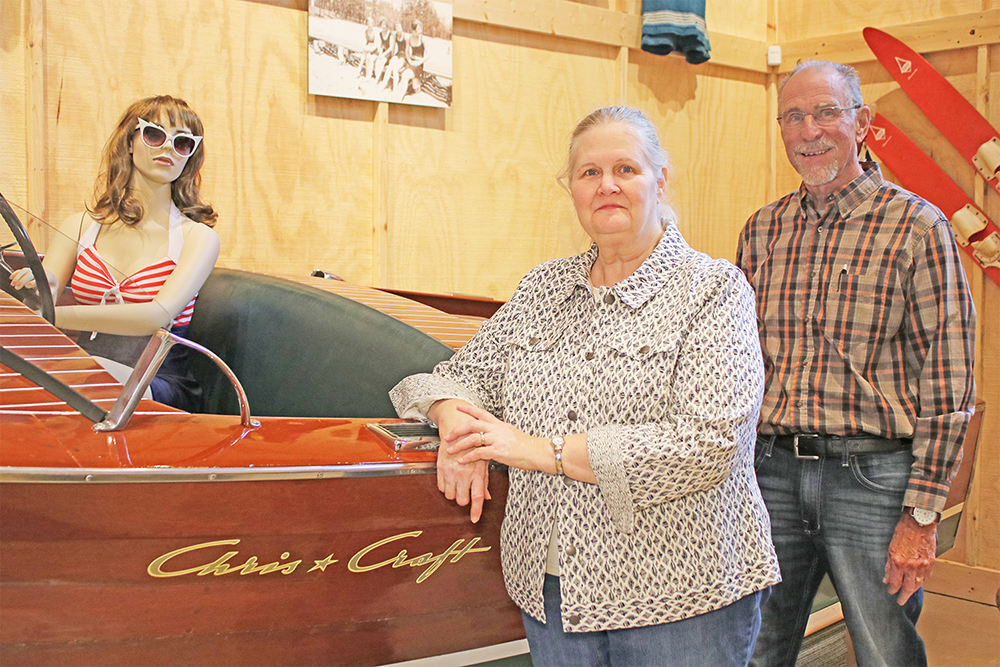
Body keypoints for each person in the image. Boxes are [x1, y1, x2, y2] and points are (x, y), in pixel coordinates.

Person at [391, 106, 780, 667]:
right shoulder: (543, 288)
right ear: (571, 189)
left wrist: (535, 450)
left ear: (660, 180)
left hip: (678, 597)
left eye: (626, 168)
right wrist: (459, 427)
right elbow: (455, 376)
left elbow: (710, 443)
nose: (608, 186)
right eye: (590, 173)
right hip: (552, 590)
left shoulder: (713, 290)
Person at [735, 60, 976, 667]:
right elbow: (736, 366)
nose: (808, 129)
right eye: (793, 116)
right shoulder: (763, 231)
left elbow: (948, 379)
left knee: (884, 653)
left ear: (862, 122)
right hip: (771, 478)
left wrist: (922, 514)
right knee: (755, 650)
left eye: (826, 112)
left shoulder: (918, 227)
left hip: (874, 481)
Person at [10, 95, 220, 412]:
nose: (168, 148)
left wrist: (55, 315)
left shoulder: (198, 237)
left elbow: (155, 316)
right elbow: (44, 298)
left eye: (182, 143)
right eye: (155, 134)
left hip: (157, 380)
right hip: (84, 370)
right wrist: (41, 288)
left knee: (77, 378)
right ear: (131, 141)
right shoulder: (81, 226)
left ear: (190, 156)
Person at [397, 19, 427, 100]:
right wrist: (409, 60)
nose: (420, 31)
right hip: (411, 62)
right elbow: (406, 51)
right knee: (412, 82)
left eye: (420, 29)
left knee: (405, 76)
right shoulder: (409, 38)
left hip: (418, 65)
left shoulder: (422, 38)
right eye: (418, 30)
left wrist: (420, 61)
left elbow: (428, 54)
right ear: (413, 31)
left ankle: (399, 98)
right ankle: (399, 96)